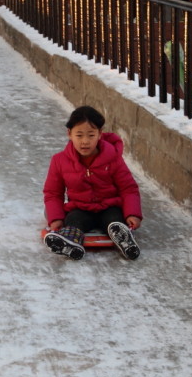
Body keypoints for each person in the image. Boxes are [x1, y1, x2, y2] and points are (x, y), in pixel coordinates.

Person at [43, 106, 143, 261]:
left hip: (109, 206)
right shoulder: (59, 161)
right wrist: (55, 218)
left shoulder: (113, 158)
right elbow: (53, 193)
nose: (85, 141)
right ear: (69, 134)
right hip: (80, 208)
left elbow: (128, 188)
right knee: (72, 221)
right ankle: (70, 243)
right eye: (79, 135)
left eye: (91, 135)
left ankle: (124, 240)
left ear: (99, 135)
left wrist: (132, 214)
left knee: (114, 220)